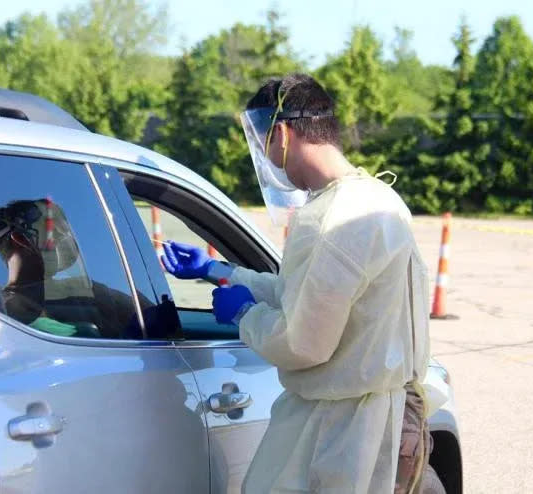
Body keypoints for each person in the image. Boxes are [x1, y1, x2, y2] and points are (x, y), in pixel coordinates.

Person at [162, 73, 439, 493]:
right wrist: (219, 272)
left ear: (281, 133)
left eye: (263, 142)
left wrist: (243, 314)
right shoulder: (379, 200)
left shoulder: (330, 218)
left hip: (336, 432)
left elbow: (302, 341)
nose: (268, 156)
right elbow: (312, 297)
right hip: (375, 418)